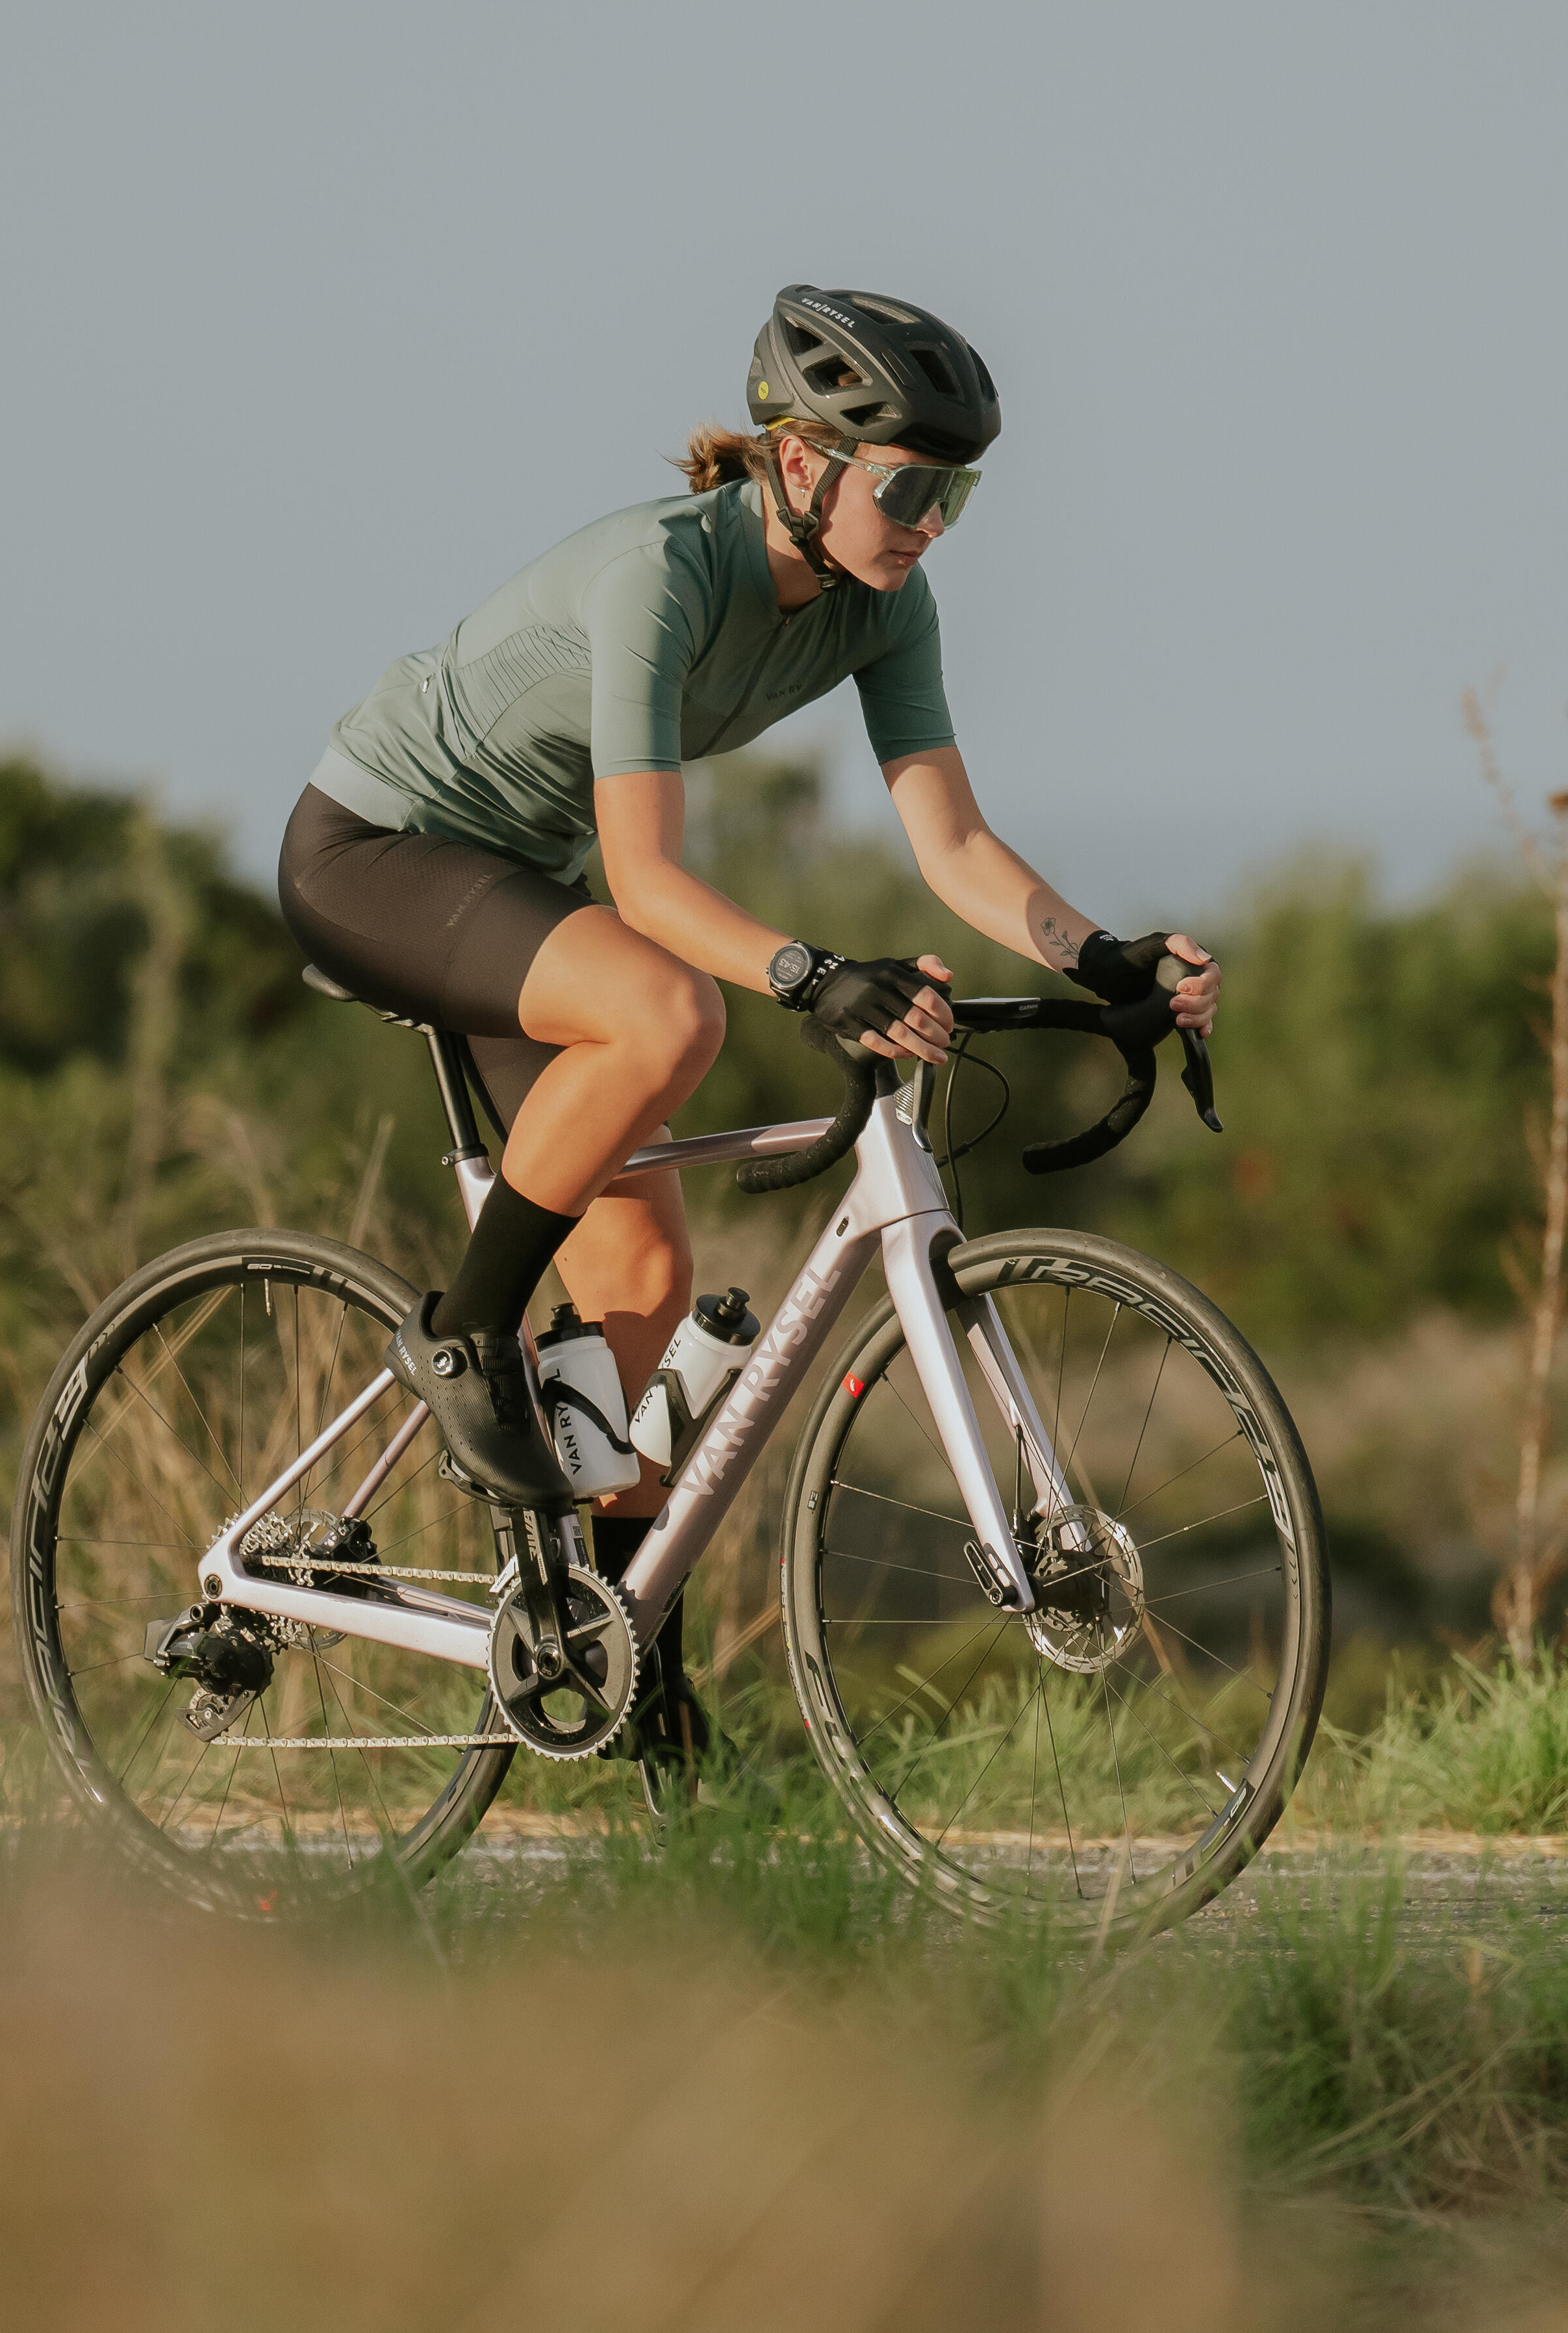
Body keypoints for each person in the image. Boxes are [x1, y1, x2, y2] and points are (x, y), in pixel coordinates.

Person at [276, 283, 1224, 1772]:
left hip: (515, 880)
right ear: (799, 463)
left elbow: (955, 847)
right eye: (908, 484)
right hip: (377, 850)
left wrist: (1100, 948)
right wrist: (806, 973)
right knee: (667, 1011)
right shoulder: (659, 577)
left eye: (952, 491)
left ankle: (605, 1627)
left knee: (647, 1272)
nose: (928, 519)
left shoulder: (886, 603)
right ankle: (464, 1339)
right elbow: (649, 881)